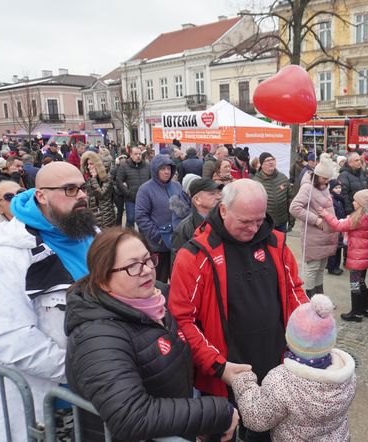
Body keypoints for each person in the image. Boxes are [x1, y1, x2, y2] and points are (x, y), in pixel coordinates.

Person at [65, 227, 238, 441]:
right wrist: (215, 412)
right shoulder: (95, 338)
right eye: (132, 267)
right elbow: (131, 416)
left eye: (147, 260)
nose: (146, 270)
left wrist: (194, 421)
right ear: (103, 279)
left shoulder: (157, 296)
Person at [169, 179, 308, 442]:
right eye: (245, 221)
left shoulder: (275, 244)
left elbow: (294, 291)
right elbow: (182, 320)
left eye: (259, 220)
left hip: (274, 369)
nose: (254, 228)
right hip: (223, 376)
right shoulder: (194, 255)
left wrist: (312, 333)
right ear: (223, 209)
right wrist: (218, 366)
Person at [0, 162, 97, 441]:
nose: (81, 195)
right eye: (69, 189)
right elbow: (11, 340)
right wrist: (82, 370)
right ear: (40, 195)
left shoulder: (93, 235)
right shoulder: (9, 255)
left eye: (83, 187)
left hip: (102, 394)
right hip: (54, 406)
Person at [231, 295, 356, 441]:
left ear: (289, 338)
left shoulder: (281, 382)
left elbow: (256, 418)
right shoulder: (348, 375)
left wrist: (244, 383)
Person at [319, 188, 368, 322]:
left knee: (355, 284)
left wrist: (325, 214)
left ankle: (356, 313)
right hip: (364, 256)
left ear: (362, 204)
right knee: (361, 282)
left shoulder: (359, 218)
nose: (353, 202)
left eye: (356, 201)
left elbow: (338, 226)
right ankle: (365, 308)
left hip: (357, 257)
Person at [289, 154, 339, 298]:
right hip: (314, 236)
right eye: (324, 178)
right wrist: (316, 220)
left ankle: (320, 299)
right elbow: (294, 208)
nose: (326, 181)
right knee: (313, 268)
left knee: (321, 269)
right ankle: (309, 300)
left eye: (328, 179)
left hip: (326, 235)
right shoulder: (307, 188)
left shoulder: (324, 186)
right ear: (317, 175)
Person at [135, 155, 191, 283]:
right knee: (158, 280)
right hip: (158, 246)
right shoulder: (145, 190)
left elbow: (185, 209)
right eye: (163, 169)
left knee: (177, 279)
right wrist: (158, 236)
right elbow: (141, 217)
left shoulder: (176, 186)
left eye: (169, 169)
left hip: (177, 243)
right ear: (155, 170)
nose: (167, 172)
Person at [171, 178, 223, 253]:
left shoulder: (224, 220)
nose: (218, 197)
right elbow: (178, 262)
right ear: (197, 200)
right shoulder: (184, 229)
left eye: (218, 193)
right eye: (212, 194)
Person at [253, 153, 290, 232]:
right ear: (262, 165)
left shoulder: (283, 178)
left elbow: (290, 198)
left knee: (281, 243)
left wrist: (291, 218)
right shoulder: (256, 181)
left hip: (282, 222)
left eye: (272, 159)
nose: (271, 162)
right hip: (265, 223)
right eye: (267, 160)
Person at [116, 146, 151, 228]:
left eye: (139, 154)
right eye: (136, 154)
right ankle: (129, 237)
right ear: (131, 154)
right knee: (131, 219)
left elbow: (151, 180)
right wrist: (128, 193)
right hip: (130, 199)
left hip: (144, 199)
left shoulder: (147, 166)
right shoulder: (124, 166)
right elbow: (119, 181)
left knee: (144, 221)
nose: (138, 156)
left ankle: (143, 239)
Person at [80, 151, 116, 229]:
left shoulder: (107, 178)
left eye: (91, 164)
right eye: (88, 164)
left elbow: (101, 194)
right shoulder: (90, 178)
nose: (89, 167)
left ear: (98, 166)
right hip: (94, 215)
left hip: (105, 215)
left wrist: (93, 179)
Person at [326, 179, 346, 276]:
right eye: (336, 188)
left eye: (339, 188)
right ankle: (332, 267)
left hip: (340, 226)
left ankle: (336, 266)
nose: (338, 190)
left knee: (339, 247)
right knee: (334, 249)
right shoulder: (331, 200)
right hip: (334, 227)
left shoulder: (339, 199)